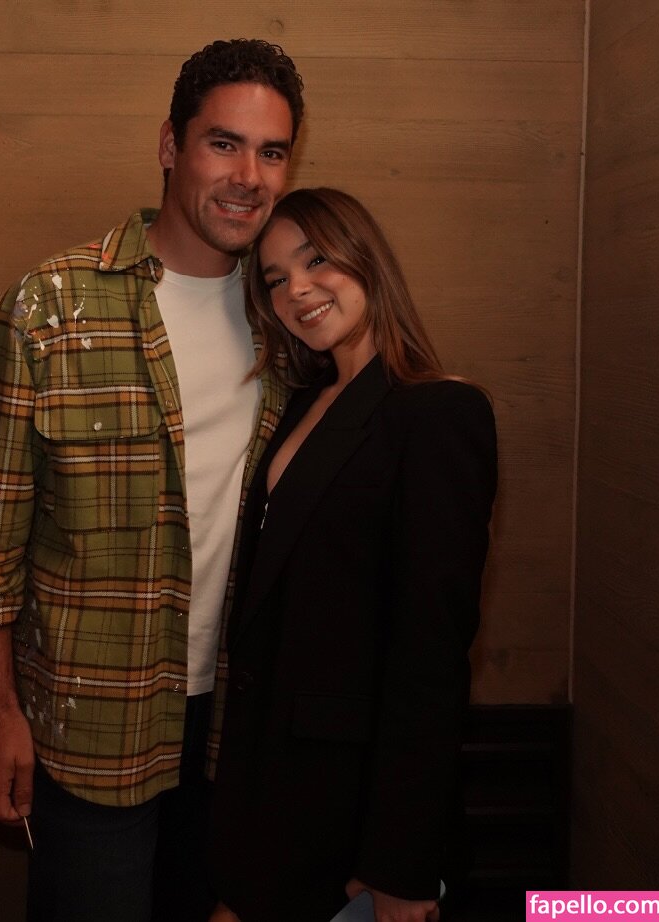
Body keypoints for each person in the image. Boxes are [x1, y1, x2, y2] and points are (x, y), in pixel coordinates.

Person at [0, 39, 304, 922]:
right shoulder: (47, 309)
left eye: (272, 152)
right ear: (170, 145)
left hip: (237, 731)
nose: (248, 176)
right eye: (223, 144)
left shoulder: (287, 315)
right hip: (93, 731)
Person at [207, 188, 498, 922]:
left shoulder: (438, 412)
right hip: (269, 785)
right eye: (276, 278)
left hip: (354, 816)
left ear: (366, 259)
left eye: (316, 261)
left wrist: (400, 865)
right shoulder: (302, 404)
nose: (297, 290)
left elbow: (431, 655)